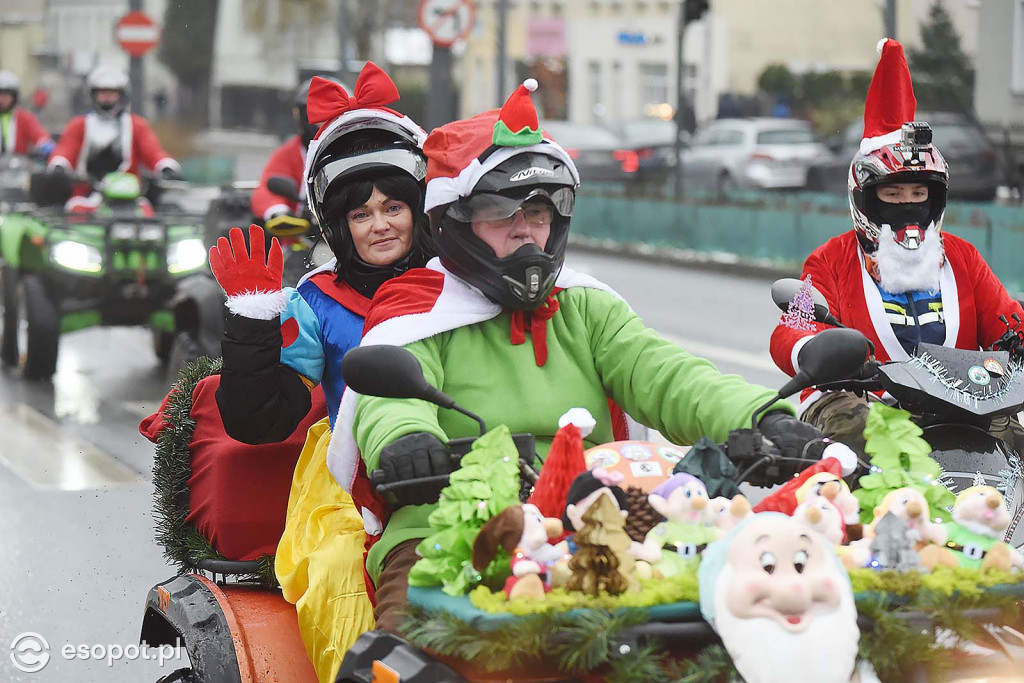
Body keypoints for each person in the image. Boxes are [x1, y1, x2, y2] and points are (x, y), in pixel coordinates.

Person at [326, 79, 830, 631]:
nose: (524, 233)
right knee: (408, 636)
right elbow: (390, 399)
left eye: (538, 214)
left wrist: (766, 419)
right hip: (449, 520)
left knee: (719, 619)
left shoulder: (586, 305)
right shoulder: (416, 308)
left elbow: (666, 373)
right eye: (500, 214)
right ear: (453, 223)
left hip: (597, 515)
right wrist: (408, 444)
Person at [206, 62, 431, 683]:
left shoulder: (458, 286)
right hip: (347, 476)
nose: (380, 224)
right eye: (360, 215)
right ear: (338, 226)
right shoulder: (320, 301)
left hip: (456, 456)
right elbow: (259, 419)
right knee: (340, 576)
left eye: (393, 207)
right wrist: (252, 324)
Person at [769, 39, 1024, 456]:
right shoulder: (828, 259)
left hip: (961, 409)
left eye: (918, 191)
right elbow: (791, 325)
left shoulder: (962, 257)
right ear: (865, 197)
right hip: (858, 407)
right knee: (869, 433)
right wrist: (814, 346)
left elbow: (1008, 321)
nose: (908, 203)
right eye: (893, 193)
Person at [47, 65, 182, 182]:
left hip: (131, 196)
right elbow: (65, 149)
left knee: (146, 210)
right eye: (102, 92)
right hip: (85, 195)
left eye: (112, 93)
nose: (107, 98)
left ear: (122, 95)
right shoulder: (78, 125)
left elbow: (153, 152)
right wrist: (59, 165)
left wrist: (166, 166)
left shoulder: (136, 125)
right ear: (93, 95)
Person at [250, 76, 344, 223]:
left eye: (332, 111)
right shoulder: (289, 153)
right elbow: (267, 189)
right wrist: (278, 212)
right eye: (317, 113)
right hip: (304, 238)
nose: (324, 120)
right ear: (299, 114)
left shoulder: (360, 149)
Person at [0, 70, 54, 157]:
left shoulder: (24, 118)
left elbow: (40, 136)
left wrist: (46, 146)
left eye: (6, 95)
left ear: (14, 96)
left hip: (17, 167)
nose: (2, 99)